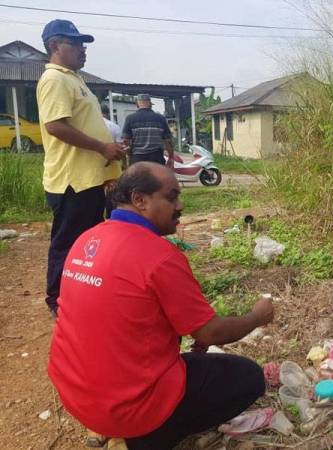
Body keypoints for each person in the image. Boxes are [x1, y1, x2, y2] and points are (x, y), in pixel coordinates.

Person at [48, 162, 274, 449]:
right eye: (171, 197)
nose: (179, 206)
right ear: (139, 200)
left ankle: (108, 427)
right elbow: (211, 334)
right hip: (129, 409)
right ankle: (149, 435)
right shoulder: (159, 256)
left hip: (75, 395)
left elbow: (120, 312)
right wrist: (257, 316)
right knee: (248, 378)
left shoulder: (86, 239)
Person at [37, 19, 127, 318]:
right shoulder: (55, 80)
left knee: (87, 241)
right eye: (74, 43)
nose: (82, 49)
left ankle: (81, 294)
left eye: (82, 43)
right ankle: (57, 300)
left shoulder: (74, 78)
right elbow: (55, 126)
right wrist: (103, 147)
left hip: (88, 177)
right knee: (67, 242)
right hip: (71, 180)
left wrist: (110, 151)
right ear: (54, 46)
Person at [122, 94, 174, 166]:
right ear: (150, 104)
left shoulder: (130, 118)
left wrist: (129, 155)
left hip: (137, 159)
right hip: (156, 158)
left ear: (137, 104)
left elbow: (126, 141)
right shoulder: (161, 118)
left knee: (139, 177)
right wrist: (171, 157)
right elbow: (168, 140)